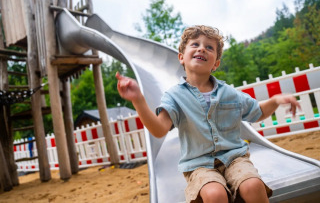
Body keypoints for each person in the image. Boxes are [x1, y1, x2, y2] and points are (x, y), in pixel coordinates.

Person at [116, 25, 300, 203]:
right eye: (195, 44)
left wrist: (275, 101)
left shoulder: (229, 93)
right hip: (198, 164)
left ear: (216, 63)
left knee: (253, 186)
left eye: (209, 47)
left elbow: (257, 112)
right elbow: (158, 130)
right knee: (215, 194)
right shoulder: (174, 96)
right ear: (181, 57)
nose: (202, 49)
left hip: (234, 158)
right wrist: (138, 100)